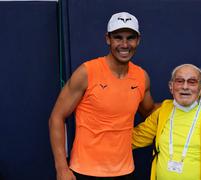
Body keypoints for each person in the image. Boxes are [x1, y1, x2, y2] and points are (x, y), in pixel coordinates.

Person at [49, 12, 157, 180]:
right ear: (108, 39)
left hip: (125, 171)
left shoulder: (141, 77)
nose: (124, 44)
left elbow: (150, 112)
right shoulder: (87, 72)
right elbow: (56, 117)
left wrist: (184, 103)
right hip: (85, 171)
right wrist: (61, 168)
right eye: (118, 38)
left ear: (138, 40)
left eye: (130, 38)